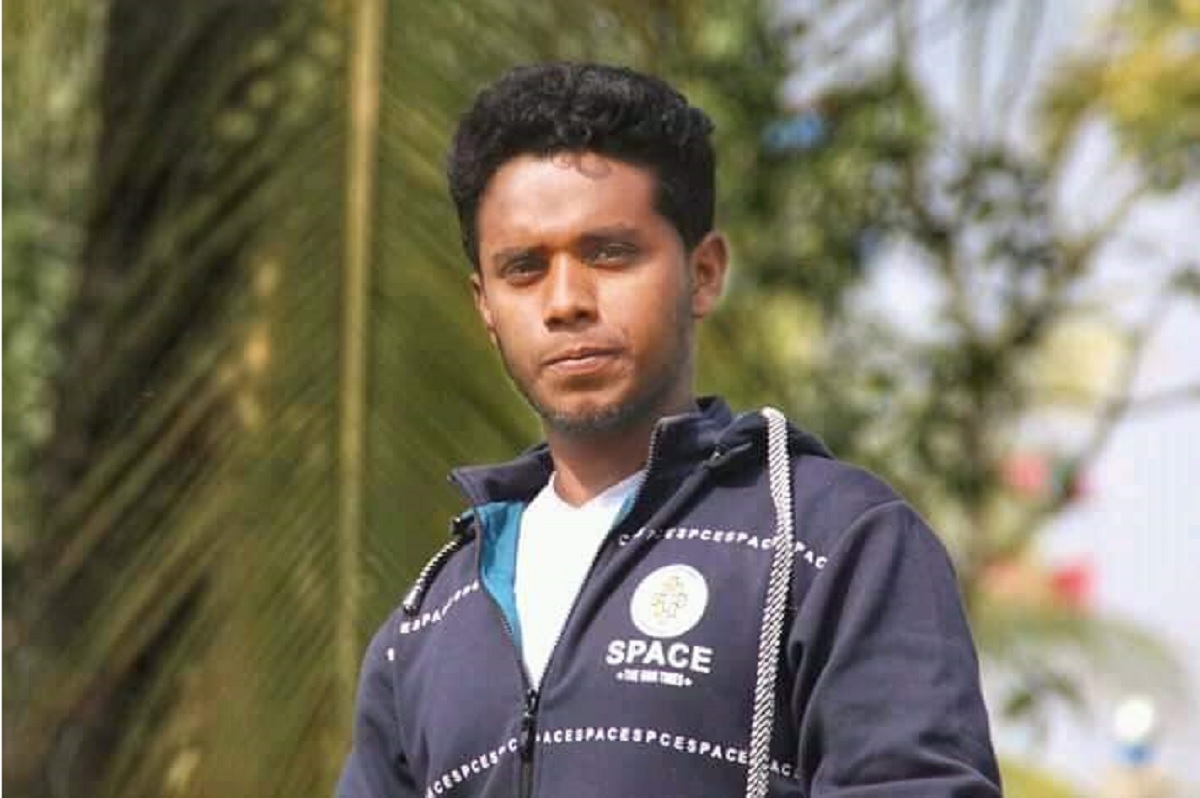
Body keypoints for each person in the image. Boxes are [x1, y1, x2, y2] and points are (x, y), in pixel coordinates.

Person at [337, 62, 1001, 797]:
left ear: (704, 273)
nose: (566, 301)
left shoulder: (833, 540)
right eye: (524, 268)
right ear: (486, 306)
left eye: (608, 253)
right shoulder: (427, 623)